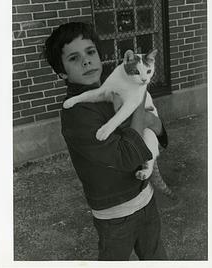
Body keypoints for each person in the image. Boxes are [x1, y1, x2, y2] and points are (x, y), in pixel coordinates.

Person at [44, 22, 168, 261]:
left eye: (90, 52)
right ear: (61, 73)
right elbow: (126, 156)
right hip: (116, 214)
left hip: (146, 197)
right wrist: (143, 117)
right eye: (74, 58)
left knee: (156, 257)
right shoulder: (77, 114)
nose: (87, 61)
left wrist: (152, 122)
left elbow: (158, 134)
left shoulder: (115, 85)